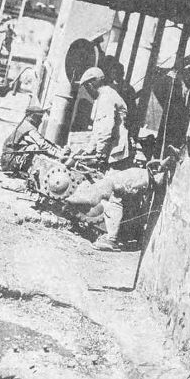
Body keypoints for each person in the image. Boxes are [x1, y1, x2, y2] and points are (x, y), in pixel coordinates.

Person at [77, 66, 133, 251]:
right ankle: (111, 234)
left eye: (86, 86)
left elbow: (105, 129)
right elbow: (97, 132)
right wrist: (88, 151)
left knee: (115, 193)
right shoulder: (105, 97)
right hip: (115, 151)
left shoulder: (106, 97)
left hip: (117, 153)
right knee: (112, 191)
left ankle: (112, 238)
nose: (87, 90)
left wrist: (99, 153)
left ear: (93, 83)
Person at [1, 105, 67, 174]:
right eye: (39, 117)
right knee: (35, 148)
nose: (41, 120)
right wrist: (59, 155)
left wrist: (58, 149)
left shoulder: (25, 124)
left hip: (8, 159)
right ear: (32, 116)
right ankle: (24, 170)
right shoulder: (29, 127)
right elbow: (43, 144)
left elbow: (44, 141)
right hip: (10, 161)